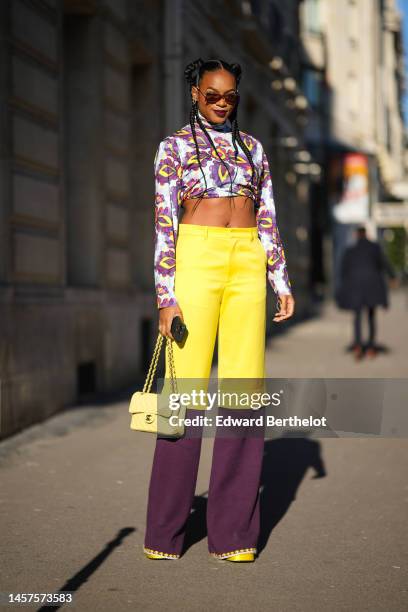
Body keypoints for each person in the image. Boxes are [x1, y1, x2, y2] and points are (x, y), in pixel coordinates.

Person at [144, 57, 295, 563]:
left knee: (245, 388)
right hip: (196, 258)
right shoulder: (174, 147)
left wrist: (280, 278)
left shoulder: (253, 148)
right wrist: (166, 294)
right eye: (212, 95)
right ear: (195, 93)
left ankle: (233, 533)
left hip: (247, 261)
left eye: (229, 95)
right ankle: (164, 534)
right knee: (183, 389)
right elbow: (165, 222)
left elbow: (268, 216)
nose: (222, 103)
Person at [336, 226, 397, 360]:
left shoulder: (350, 250)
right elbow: (384, 263)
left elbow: (343, 270)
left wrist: (342, 289)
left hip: (356, 287)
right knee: (371, 316)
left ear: (357, 235)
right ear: (366, 234)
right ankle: (370, 347)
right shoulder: (375, 248)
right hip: (372, 286)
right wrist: (392, 276)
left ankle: (358, 346)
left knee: (357, 317)